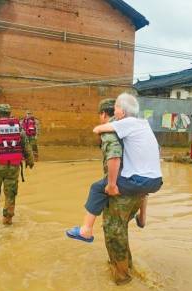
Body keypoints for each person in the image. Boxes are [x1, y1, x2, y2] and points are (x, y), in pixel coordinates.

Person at [66, 93, 162, 242]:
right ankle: (142, 218)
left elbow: (98, 131)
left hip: (139, 181)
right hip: (155, 181)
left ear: (122, 112)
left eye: (116, 108)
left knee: (97, 188)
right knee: (142, 189)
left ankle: (86, 230)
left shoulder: (126, 122)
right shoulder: (144, 124)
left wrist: (111, 185)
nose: (115, 112)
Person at [71, 98, 143, 284]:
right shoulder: (135, 130)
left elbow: (113, 156)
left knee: (113, 233)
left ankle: (121, 279)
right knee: (121, 230)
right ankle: (128, 268)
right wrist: (143, 211)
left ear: (104, 114)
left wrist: (111, 185)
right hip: (138, 190)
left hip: (120, 191)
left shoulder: (111, 130)